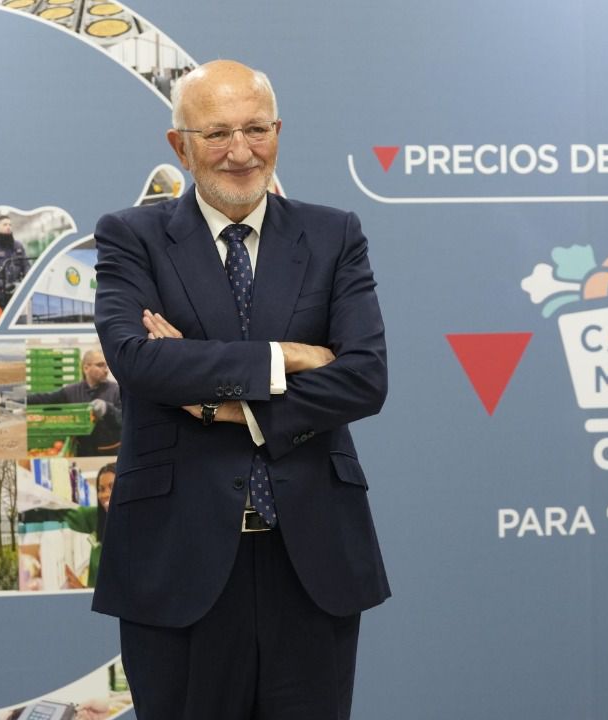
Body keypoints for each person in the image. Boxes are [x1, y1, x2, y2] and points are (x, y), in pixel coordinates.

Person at [90, 60, 389, 719]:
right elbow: (138, 362)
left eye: (256, 129)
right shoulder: (131, 237)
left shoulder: (334, 234)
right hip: (178, 561)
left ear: (277, 132)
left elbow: (364, 378)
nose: (240, 150)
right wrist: (287, 357)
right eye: (217, 133)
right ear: (180, 146)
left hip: (311, 561)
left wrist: (226, 405)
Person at [26, 349, 121, 456]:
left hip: (110, 452)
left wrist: (107, 409)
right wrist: (19, 401)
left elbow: (125, 419)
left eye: (106, 365)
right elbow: (45, 399)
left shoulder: (116, 390)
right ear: (86, 368)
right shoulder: (71, 391)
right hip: (82, 452)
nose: (106, 370)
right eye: (100, 365)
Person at [0, 214, 30, 310]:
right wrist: (2, 284)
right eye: (5, 224)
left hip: (18, 291)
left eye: (10, 225)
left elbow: (26, 264)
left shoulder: (18, 246)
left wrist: (27, 278)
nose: (8, 227)